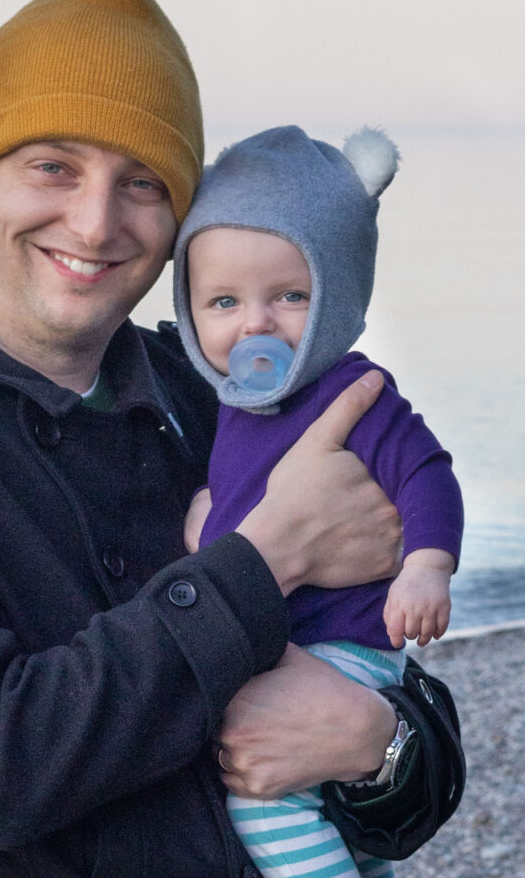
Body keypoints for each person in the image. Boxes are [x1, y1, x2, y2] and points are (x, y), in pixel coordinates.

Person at [0, 0, 407, 878]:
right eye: (52, 167)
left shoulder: (221, 388)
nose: (97, 222)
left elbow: (399, 694)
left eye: (141, 182)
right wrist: (260, 564)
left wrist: (381, 746)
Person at [173, 124, 464, 878]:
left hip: (349, 646)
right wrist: (208, 510)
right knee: (326, 802)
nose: (256, 322)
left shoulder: (352, 391)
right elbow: (247, 496)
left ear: (336, 295)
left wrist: (425, 567)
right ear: (190, 307)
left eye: (290, 295)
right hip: (295, 647)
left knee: (265, 798)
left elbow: (425, 472)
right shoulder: (229, 400)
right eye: (224, 301)